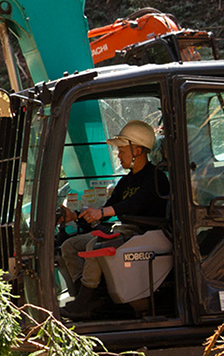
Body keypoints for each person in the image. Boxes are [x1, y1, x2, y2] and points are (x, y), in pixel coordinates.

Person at [61, 120, 169, 320]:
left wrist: (102, 213)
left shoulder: (156, 177)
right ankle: (87, 297)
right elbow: (108, 206)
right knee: (70, 246)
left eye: (122, 150)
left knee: (97, 245)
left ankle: (86, 301)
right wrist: (76, 216)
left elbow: (135, 204)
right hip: (123, 230)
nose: (118, 155)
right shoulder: (125, 181)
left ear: (137, 150)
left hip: (144, 232)